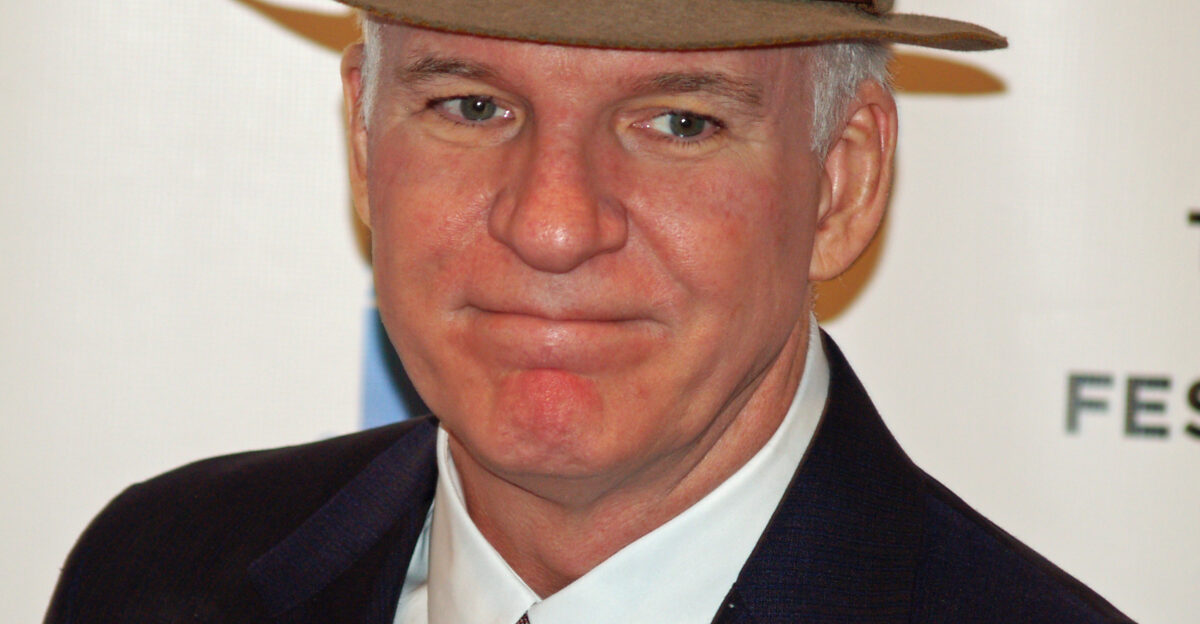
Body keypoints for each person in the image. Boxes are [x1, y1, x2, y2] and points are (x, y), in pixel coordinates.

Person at [46, 1, 1133, 622]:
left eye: (679, 122)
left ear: (840, 184)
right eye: (471, 105)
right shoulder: (153, 576)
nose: (553, 226)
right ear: (364, 144)